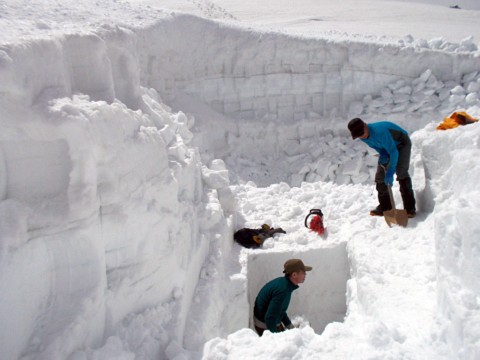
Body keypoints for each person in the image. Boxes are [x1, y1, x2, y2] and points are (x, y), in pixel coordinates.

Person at [347, 118, 416, 218]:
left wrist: (391, 171)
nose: (362, 136)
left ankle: (410, 208)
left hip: (402, 144)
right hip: (388, 147)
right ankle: (385, 206)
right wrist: (383, 154)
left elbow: (394, 152)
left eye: (362, 133)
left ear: (365, 126)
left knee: (401, 172)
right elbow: (378, 146)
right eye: (359, 135)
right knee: (380, 177)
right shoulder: (363, 137)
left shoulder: (380, 132)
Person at [253, 259, 312, 336]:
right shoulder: (283, 290)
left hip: (271, 320)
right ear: (294, 275)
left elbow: (280, 310)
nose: (305, 275)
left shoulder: (285, 284)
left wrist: (289, 326)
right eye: (303, 273)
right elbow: (269, 318)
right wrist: (278, 339)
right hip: (265, 326)